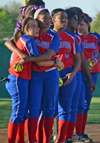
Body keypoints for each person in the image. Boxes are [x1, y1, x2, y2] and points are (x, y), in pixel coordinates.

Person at [5, 8, 63, 143]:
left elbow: (48, 55)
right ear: (37, 21)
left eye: (50, 18)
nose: (49, 21)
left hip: (51, 75)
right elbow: (8, 42)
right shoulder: (31, 35)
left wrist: (27, 59)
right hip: (35, 75)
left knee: (49, 110)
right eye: (45, 19)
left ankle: (45, 141)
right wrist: (55, 62)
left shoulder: (53, 35)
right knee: (33, 110)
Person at [6, 17, 40, 143]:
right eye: (34, 26)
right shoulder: (28, 40)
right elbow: (38, 59)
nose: (37, 29)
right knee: (18, 113)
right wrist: (55, 61)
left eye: (37, 26)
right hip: (17, 79)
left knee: (23, 114)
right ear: (26, 29)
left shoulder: (23, 39)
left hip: (22, 79)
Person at [64, 8, 95, 143]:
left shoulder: (77, 38)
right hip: (59, 73)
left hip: (77, 73)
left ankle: (71, 135)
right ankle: (57, 134)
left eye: (80, 21)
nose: (77, 22)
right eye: (76, 19)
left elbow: (81, 60)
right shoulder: (55, 35)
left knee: (77, 105)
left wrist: (90, 78)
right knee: (54, 107)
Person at [51, 8, 81, 142]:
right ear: (53, 20)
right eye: (61, 18)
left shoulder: (71, 38)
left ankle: (62, 139)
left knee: (65, 108)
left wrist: (73, 74)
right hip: (51, 75)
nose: (65, 20)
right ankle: (46, 138)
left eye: (66, 18)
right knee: (48, 109)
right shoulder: (47, 36)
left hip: (68, 74)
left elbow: (78, 59)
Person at [76, 13, 100, 142]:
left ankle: (81, 132)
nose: (79, 27)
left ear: (88, 24)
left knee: (86, 105)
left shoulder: (96, 37)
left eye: (82, 24)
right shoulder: (76, 38)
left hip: (93, 73)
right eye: (78, 24)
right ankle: (77, 133)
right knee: (79, 104)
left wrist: (96, 60)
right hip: (79, 73)